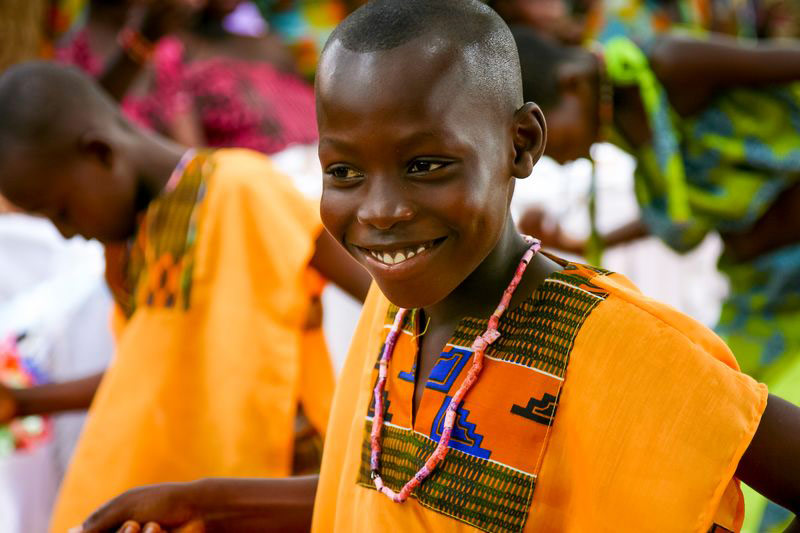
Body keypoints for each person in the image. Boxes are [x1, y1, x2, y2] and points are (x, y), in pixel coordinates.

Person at [71, 1, 800, 531]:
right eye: (344, 171)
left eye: (426, 164)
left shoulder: (608, 341)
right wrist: (206, 502)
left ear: (520, 144)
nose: (380, 210)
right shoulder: (395, 314)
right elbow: (387, 490)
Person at [0, 61, 370, 532]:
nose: (67, 234)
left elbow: (380, 297)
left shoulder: (242, 187)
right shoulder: (129, 250)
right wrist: (26, 403)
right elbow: (143, 377)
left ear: (99, 153)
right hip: (177, 502)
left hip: (276, 488)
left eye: (62, 212)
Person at [512, 26, 800, 529]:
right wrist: (583, 245)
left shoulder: (672, 63)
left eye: (545, 137)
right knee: (724, 414)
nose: (547, 157)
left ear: (573, 86)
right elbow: (689, 192)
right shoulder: (630, 121)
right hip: (764, 287)